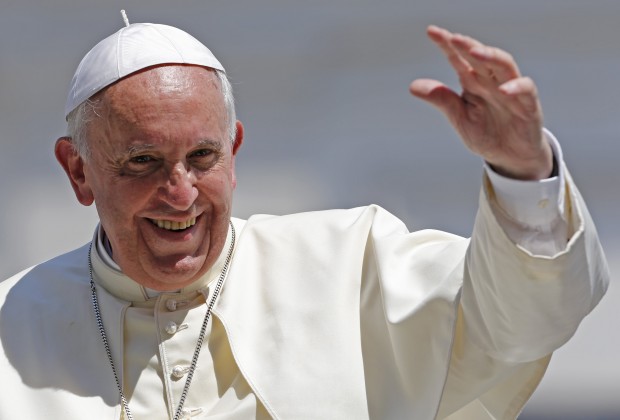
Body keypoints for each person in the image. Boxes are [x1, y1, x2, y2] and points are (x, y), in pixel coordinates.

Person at [0, 16, 609, 420]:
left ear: (233, 151)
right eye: (143, 162)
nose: (180, 193)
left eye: (202, 157)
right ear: (78, 171)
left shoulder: (352, 264)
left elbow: (527, 319)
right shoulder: (11, 330)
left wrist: (523, 171)